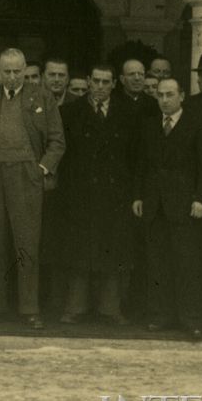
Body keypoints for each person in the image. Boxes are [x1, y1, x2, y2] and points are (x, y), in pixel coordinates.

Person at [0, 48, 65, 329]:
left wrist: (41, 169)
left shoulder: (42, 97)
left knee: (27, 243)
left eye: (17, 71)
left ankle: (29, 308)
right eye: (6, 71)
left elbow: (58, 141)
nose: (11, 77)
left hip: (26, 178)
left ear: (25, 70)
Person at [58, 64, 139, 325]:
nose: (101, 87)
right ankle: (75, 307)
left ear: (115, 83)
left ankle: (110, 309)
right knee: (79, 252)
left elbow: (134, 157)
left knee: (112, 251)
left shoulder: (128, 114)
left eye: (106, 82)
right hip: (79, 192)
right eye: (96, 81)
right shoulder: (68, 113)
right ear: (88, 82)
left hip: (114, 194)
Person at [133, 78, 202, 338]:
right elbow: (142, 165)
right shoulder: (147, 126)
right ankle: (160, 315)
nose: (164, 100)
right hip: (155, 205)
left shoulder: (198, 124)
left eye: (170, 95)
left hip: (185, 206)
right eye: (160, 95)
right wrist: (139, 196)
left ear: (182, 96)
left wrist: (201, 198)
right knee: (158, 263)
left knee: (187, 264)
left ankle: (191, 318)